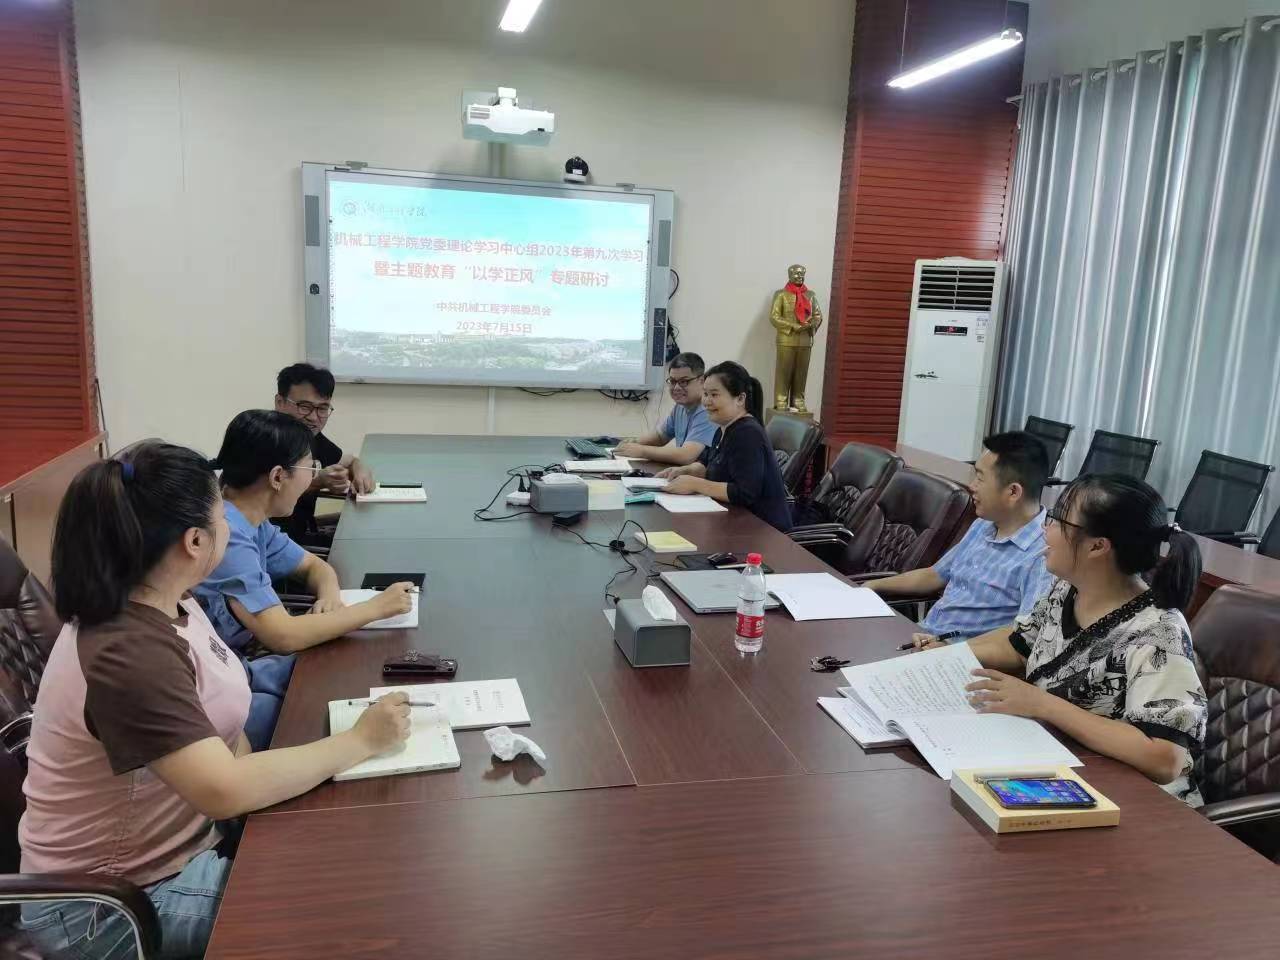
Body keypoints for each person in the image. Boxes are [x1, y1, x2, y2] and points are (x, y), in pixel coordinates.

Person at [19, 441, 411, 959]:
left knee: (351, 843)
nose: (230, 522)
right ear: (195, 541)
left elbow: (225, 731)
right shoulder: (126, 651)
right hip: (110, 906)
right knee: (344, 900)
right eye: (221, 515)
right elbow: (224, 790)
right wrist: (361, 740)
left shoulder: (172, 602)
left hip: (186, 844)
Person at [925, 474, 1207, 805]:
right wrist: (946, 653)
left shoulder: (1159, 632)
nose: (1045, 529)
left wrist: (1042, 704)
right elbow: (1018, 645)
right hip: (1061, 766)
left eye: (1058, 521)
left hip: (1136, 803)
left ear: (1098, 546)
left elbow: (1164, 759)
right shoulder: (1067, 590)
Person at [194, 410, 413, 750]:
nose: (312, 478)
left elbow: (315, 566)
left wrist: (329, 596)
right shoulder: (230, 535)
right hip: (214, 684)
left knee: (337, 677)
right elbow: (283, 635)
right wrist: (375, 608)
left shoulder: (252, 521)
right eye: (310, 469)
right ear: (277, 477)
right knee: (319, 713)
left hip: (236, 667)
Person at [869, 431, 1055, 642]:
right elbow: (935, 575)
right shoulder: (983, 524)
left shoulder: (1042, 555)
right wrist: (872, 586)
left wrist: (951, 650)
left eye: (980, 478)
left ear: (1013, 492)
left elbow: (1024, 638)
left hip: (959, 655)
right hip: (922, 637)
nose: (972, 486)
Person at [657, 361, 792, 532]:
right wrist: (687, 470)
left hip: (763, 531)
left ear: (740, 399)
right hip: (733, 522)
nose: (706, 401)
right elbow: (709, 463)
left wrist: (694, 484)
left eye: (714, 395)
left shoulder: (747, 433)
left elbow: (745, 493)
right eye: (705, 394)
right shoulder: (723, 428)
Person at [273, 362, 375, 544]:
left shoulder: (311, 436)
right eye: (304, 406)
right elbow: (262, 494)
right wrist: (317, 482)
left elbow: (348, 460)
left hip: (300, 537)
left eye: (322, 408)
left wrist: (359, 469)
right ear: (280, 402)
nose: (313, 417)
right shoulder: (261, 437)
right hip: (270, 544)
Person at [615, 352, 718, 465]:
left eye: (684, 382)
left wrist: (641, 451)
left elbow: (686, 456)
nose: (676, 387)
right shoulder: (680, 407)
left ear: (701, 381)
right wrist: (633, 443)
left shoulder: (707, 410)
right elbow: (660, 437)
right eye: (673, 381)